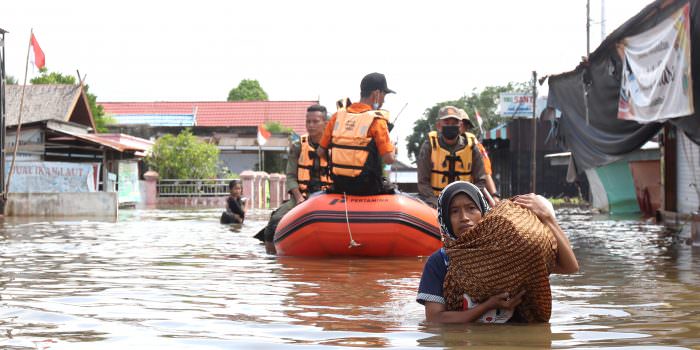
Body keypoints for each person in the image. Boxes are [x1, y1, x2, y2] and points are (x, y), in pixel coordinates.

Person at [416, 181, 579, 323]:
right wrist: (488, 306)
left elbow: (570, 267)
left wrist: (548, 218)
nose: (464, 217)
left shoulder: (510, 249)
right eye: (454, 211)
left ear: (484, 212)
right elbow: (435, 319)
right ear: (444, 218)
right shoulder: (440, 261)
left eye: (471, 208)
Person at [259, 104, 331, 254]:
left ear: (325, 123)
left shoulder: (335, 146)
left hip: (328, 197)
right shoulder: (298, 146)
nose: (310, 125)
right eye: (308, 121)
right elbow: (291, 176)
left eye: (315, 121)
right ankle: (272, 261)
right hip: (302, 196)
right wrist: (298, 198)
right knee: (274, 220)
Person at [317, 72, 396, 196]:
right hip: (368, 188)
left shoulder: (337, 117)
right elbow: (389, 159)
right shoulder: (377, 121)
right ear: (376, 94)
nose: (384, 101)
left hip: (339, 185)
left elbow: (320, 152)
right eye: (383, 95)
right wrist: (393, 148)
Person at [416, 106, 486, 207]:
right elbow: (423, 181)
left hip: (465, 202)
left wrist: (468, 199)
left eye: (454, 123)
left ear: (460, 125)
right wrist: (435, 202)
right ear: (439, 125)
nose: (451, 126)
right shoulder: (430, 146)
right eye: (447, 123)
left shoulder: (471, 146)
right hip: (434, 202)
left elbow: (481, 180)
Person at [458, 108, 500, 200]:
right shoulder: (437, 145)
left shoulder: (475, 145)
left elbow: (486, 173)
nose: (458, 126)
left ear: (465, 126)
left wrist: (494, 195)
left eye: (462, 124)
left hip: (469, 195)